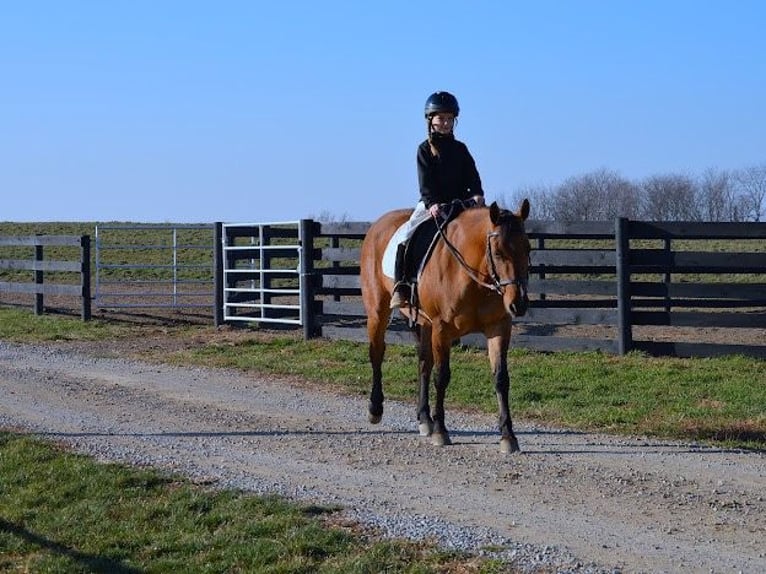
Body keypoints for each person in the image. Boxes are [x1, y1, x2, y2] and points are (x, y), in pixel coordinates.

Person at [390, 91, 485, 308]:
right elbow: (425, 184)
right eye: (441, 118)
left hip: (461, 206)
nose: (445, 123)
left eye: (449, 119)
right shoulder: (424, 149)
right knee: (407, 235)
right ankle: (401, 287)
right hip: (433, 205)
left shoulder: (461, 149)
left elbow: (473, 176)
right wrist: (432, 204)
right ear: (430, 120)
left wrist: (478, 193)